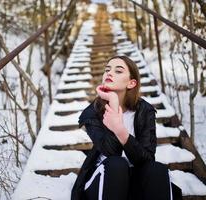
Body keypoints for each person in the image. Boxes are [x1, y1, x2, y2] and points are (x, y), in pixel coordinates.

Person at [71, 55, 181, 200]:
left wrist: (120, 131)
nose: (109, 73)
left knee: (157, 169)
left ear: (131, 83)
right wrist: (114, 103)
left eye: (118, 71)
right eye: (107, 70)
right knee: (117, 164)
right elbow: (111, 152)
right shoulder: (92, 113)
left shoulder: (144, 111)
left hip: (134, 180)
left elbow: (147, 159)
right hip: (104, 180)